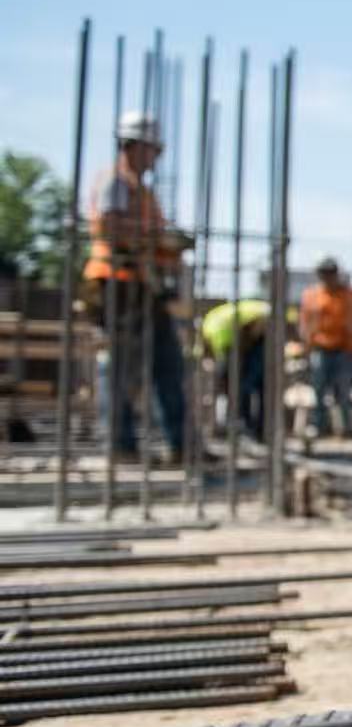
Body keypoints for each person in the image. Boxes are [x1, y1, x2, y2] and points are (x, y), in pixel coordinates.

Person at [85, 111, 191, 464]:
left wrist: (165, 244)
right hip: (118, 284)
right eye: (152, 150)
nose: (156, 157)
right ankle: (119, 444)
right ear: (132, 146)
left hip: (142, 285)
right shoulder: (117, 182)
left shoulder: (138, 188)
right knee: (120, 367)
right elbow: (115, 231)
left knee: (167, 364)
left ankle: (180, 444)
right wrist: (162, 241)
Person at [298, 257, 352, 437]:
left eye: (331, 274)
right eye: (324, 274)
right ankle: (319, 427)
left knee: (343, 391)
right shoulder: (312, 295)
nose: (328, 278)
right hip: (320, 348)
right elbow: (303, 321)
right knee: (319, 390)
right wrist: (305, 342)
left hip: (345, 349)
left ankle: (345, 429)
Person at [201, 299, 270, 440]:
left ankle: (250, 427)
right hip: (246, 344)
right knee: (250, 387)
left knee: (246, 386)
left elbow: (255, 327)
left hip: (252, 342)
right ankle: (252, 428)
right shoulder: (214, 323)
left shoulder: (211, 327)